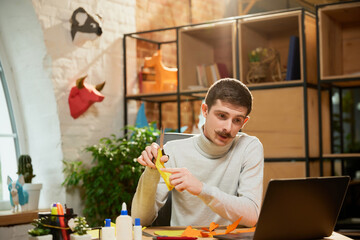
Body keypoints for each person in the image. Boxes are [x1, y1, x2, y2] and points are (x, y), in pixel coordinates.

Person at [131, 78, 264, 227]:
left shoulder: (249, 147)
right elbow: (140, 220)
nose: (228, 127)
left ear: (244, 122)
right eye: (222, 116)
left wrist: (202, 189)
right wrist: (151, 172)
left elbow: (252, 216)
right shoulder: (172, 151)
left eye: (237, 120)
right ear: (205, 111)